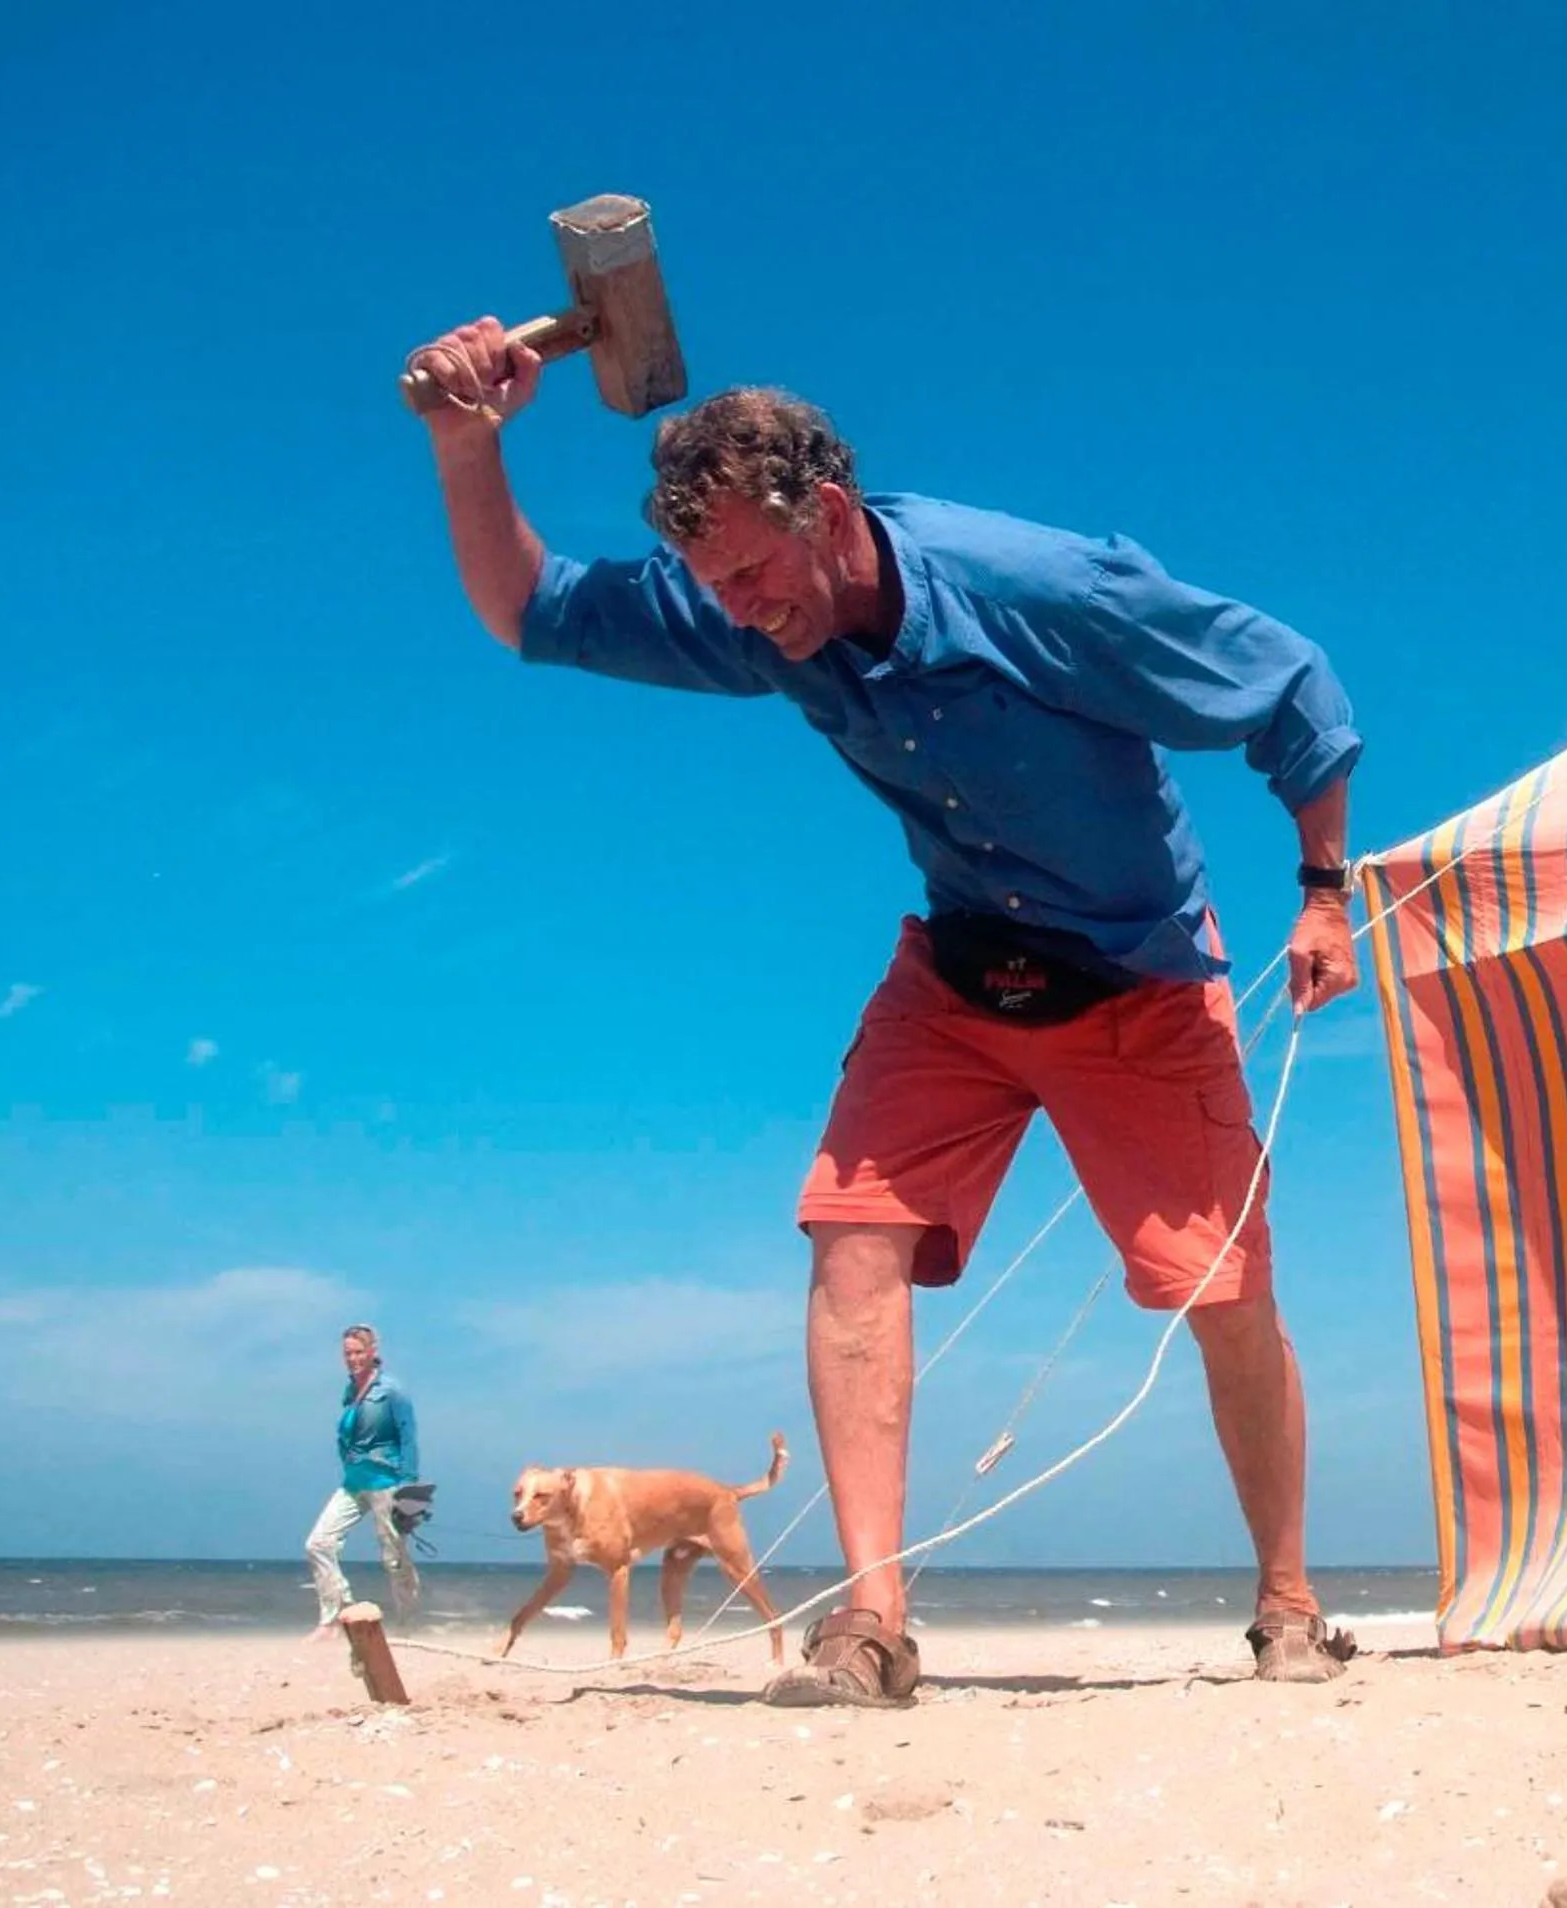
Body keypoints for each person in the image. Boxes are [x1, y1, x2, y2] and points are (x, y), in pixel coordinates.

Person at [405, 318, 1366, 1705]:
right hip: (962, 969)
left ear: (834, 514)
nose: (735, 607)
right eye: (708, 579)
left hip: (1140, 976)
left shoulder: (1036, 587)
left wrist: (1324, 895)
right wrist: (464, 444)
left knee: (1221, 1293)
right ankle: (871, 1626)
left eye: (750, 571)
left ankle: (1286, 1602)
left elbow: (1293, 687)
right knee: (852, 1237)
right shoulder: (749, 603)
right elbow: (529, 609)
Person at [304, 1324, 422, 1633]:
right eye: (348, 1353)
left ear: (372, 1352)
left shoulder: (391, 1390)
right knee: (318, 1543)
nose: (353, 1358)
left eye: (358, 1352)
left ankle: (407, 1625)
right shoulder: (350, 1391)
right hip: (354, 1481)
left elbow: (408, 1437)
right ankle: (335, 1613)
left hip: (388, 1482)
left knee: (394, 1558)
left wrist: (410, 1489)